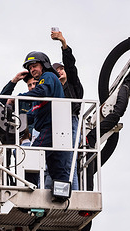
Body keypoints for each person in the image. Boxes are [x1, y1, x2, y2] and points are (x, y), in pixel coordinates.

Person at [17, 51, 71, 187]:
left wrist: (19, 97)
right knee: (56, 165)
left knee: (33, 155)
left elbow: (42, 91)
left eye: (34, 66)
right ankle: (62, 195)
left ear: (44, 64)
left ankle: (29, 188)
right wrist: (16, 121)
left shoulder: (48, 76)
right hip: (55, 130)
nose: (32, 69)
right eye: (30, 68)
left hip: (51, 127)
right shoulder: (40, 96)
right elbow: (32, 114)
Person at [47, 29, 84, 190]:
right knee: (54, 161)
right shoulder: (52, 91)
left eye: (61, 69)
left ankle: (73, 192)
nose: (60, 71)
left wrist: (63, 43)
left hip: (71, 120)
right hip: (55, 124)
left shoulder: (73, 85)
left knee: (70, 160)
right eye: (56, 71)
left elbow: (70, 65)